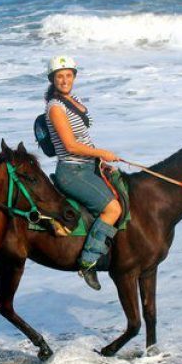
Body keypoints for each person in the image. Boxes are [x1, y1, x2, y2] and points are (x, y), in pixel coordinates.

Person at [44, 55, 123, 291]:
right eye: (60, 76)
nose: (65, 80)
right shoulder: (55, 107)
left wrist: (99, 161)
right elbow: (70, 146)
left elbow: (83, 138)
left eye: (69, 75)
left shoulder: (74, 100)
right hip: (72, 171)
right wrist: (102, 153)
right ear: (52, 79)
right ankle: (88, 262)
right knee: (113, 209)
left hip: (88, 165)